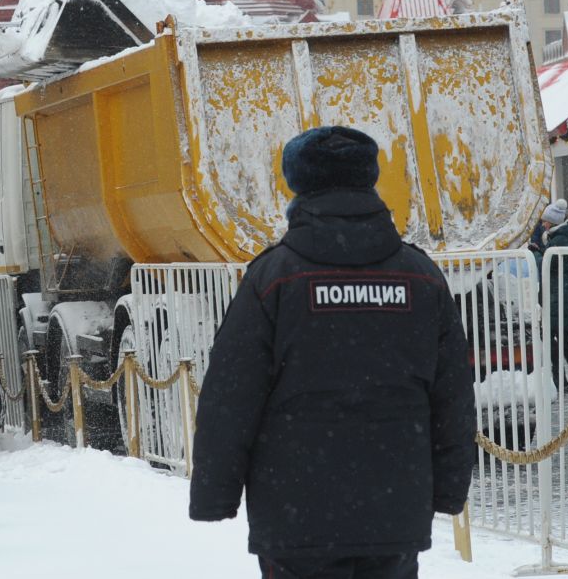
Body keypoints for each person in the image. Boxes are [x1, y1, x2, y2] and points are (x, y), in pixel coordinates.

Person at [190, 125, 475, 578]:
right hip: (393, 508)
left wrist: (214, 493)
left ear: (298, 184)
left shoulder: (274, 279)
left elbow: (231, 395)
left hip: (295, 512)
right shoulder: (420, 277)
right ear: (369, 178)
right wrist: (450, 486)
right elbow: (453, 396)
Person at [530, 200, 568, 391]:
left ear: (553, 222)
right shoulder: (561, 237)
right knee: (560, 338)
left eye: (546, 221)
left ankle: (562, 379)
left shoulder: (559, 239)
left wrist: (536, 256)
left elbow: (549, 266)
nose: (543, 224)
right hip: (561, 295)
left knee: (553, 337)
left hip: (559, 296)